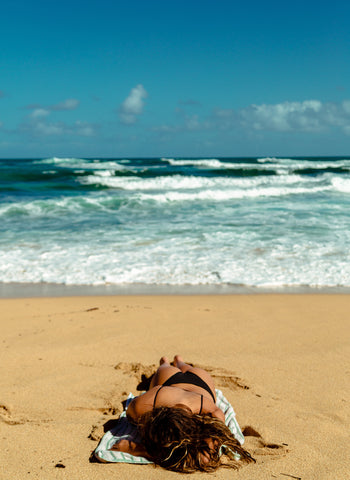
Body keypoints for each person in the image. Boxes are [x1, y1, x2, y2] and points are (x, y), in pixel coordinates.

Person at [111, 355, 255, 472]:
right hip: (199, 381)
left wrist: (141, 450)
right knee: (180, 366)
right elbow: (205, 457)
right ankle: (177, 361)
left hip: (174, 382)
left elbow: (202, 459)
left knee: (165, 367)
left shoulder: (144, 405)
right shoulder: (212, 416)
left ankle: (169, 362)